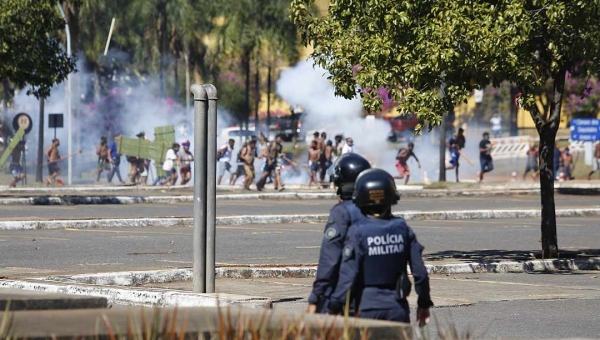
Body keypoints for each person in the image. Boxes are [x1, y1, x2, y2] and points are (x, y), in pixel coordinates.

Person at [327, 168, 433, 323]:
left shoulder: (358, 232)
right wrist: (424, 303)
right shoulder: (403, 228)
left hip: (366, 309)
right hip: (397, 308)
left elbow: (348, 275)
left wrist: (333, 306)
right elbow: (420, 274)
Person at [307, 153, 371, 314]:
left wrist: (315, 297)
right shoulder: (379, 212)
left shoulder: (341, 213)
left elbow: (330, 260)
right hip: (377, 298)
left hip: (344, 298)